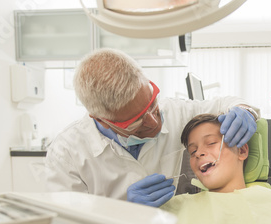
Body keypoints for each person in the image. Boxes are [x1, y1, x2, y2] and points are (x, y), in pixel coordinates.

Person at [45, 48, 258, 207]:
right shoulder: (66, 153)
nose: (155, 122)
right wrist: (122, 212)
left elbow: (226, 103)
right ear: (102, 120)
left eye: (153, 105)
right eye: (137, 122)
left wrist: (244, 110)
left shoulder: (173, 111)